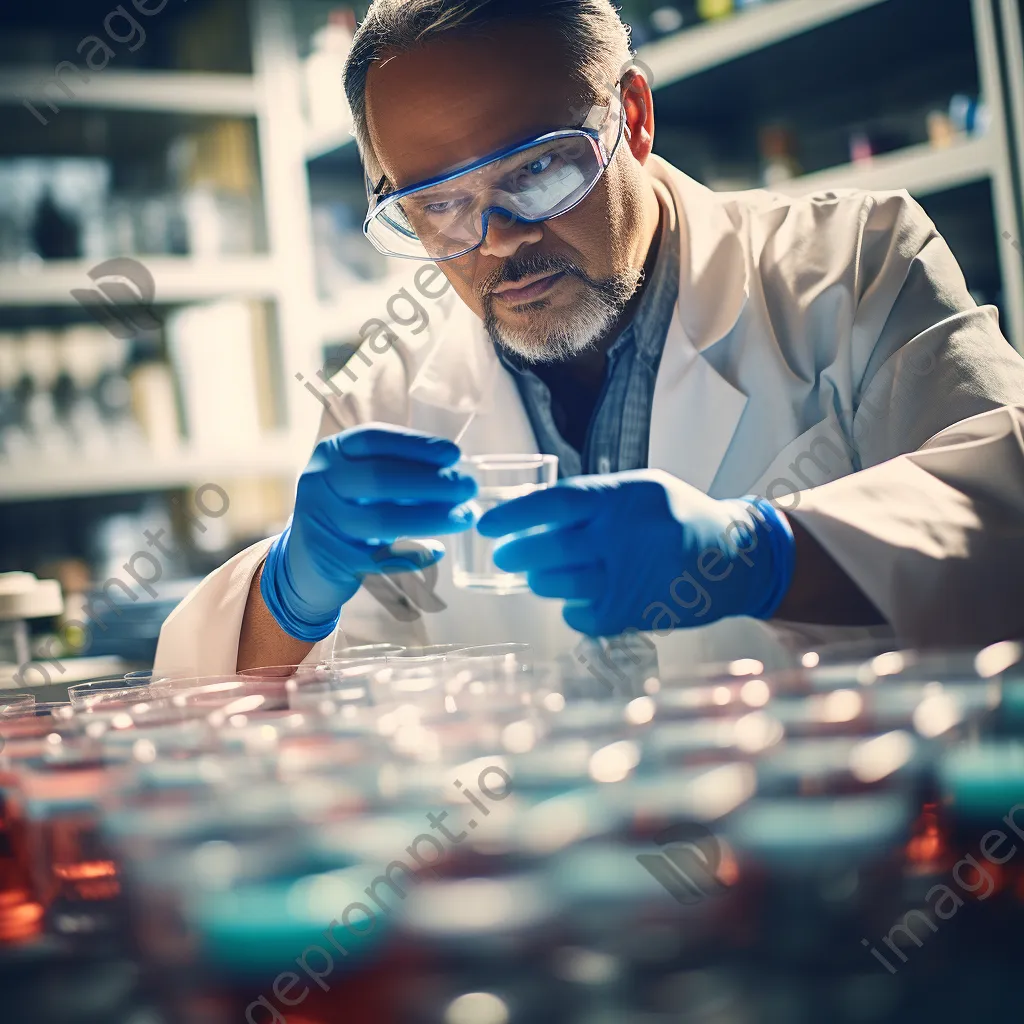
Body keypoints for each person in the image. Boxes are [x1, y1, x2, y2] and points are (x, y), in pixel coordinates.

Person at [155, 0, 1024, 677]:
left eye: (536, 168)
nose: (497, 238)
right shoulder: (381, 401)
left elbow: (1007, 508)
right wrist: (291, 591)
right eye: (438, 205)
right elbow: (264, 719)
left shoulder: (855, 267)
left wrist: (766, 553)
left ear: (632, 118)